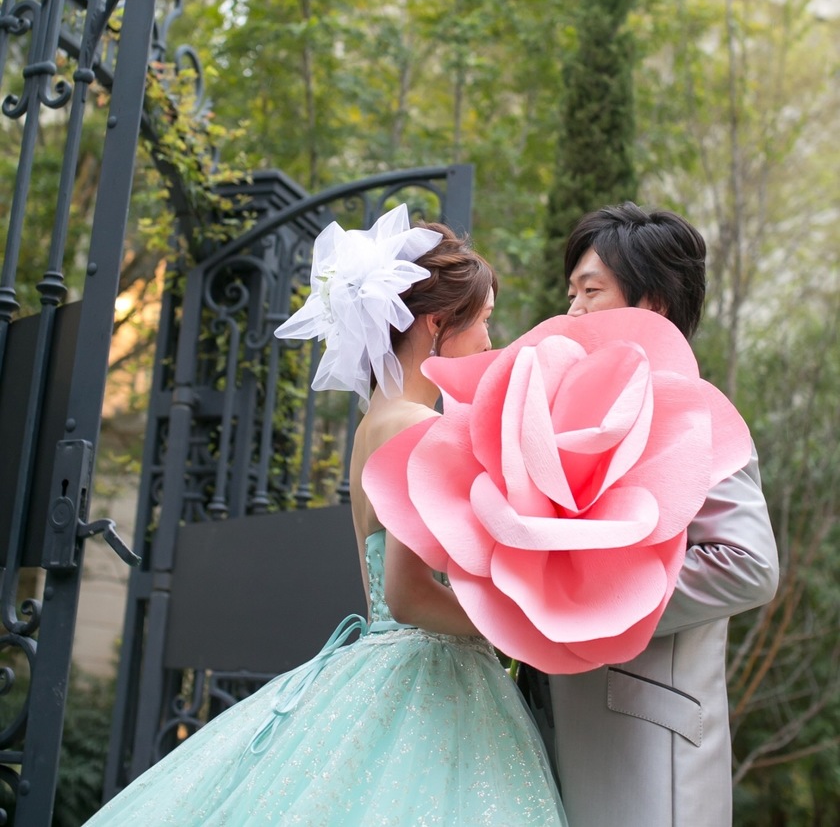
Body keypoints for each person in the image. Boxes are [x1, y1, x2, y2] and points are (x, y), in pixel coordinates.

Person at [85, 205, 568, 827]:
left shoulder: (373, 426)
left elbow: (384, 597)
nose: (489, 342)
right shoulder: (424, 428)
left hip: (380, 661)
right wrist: (522, 621)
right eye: (484, 323)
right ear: (436, 323)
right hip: (434, 678)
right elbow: (410, 596)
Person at [523, 201, 779, 827]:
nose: (573, 311)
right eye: (571, 294)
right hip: (550, 725)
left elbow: (748, 566)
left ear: (653, 305)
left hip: (648, 740)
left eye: (591, 292)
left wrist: (598, 606)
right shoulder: (570, 414)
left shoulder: (695, 415)